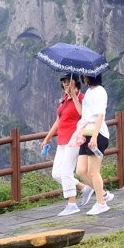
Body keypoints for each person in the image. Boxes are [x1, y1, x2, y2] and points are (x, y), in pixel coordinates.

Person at [40, 74, 87, 217]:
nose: (66, 85)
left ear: (76, 83)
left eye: (69, 82)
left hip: (74, 139)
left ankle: (72, 204)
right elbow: (58, 121)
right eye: (64, 83)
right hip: (62, 140)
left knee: (66, 172)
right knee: (56, 174)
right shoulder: (64, 100)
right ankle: (83, 188)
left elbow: (83, 115)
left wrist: (74, 97)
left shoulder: (81, 98)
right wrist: (47, 138)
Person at [72, 74, 114, 215]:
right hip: (86, 132)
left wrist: (95, 137)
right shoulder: (89, 91)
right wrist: (74, 96)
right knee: (81, 171)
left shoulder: (100, 91)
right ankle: (103, 194)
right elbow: (83, 114)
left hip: (98, 134)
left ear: (91, 76)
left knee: (93, 171)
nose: (82, 77)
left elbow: (100, 115)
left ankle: (101, 203)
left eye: (84, 75)